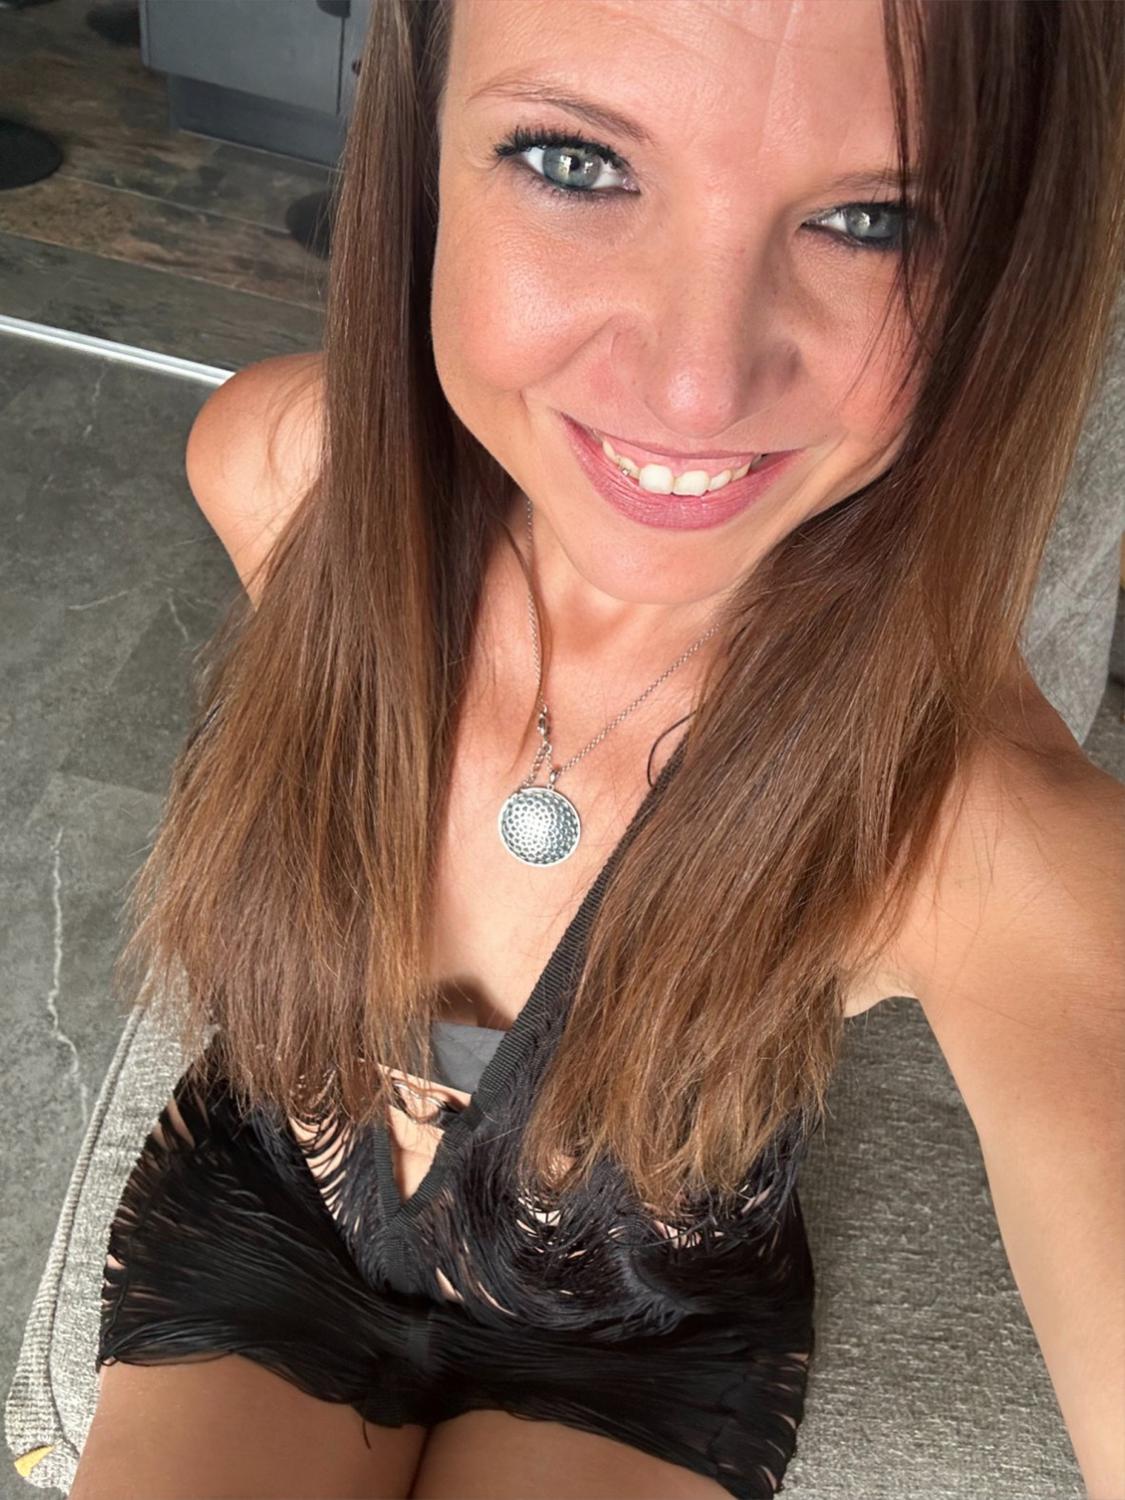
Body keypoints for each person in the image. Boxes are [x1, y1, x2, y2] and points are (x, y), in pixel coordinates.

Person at [71, 2, 1125, 1498]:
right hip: (267, 1213)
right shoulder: (279, 472)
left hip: (640, 1332)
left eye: (873, 219)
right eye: (573, 160)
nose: (696, 386)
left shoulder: (968, 810)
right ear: (420, 154)